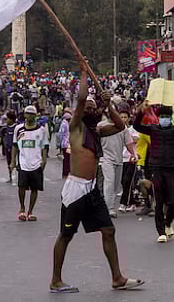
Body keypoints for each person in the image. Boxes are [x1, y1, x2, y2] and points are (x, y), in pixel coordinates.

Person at [50, 58, 142, 293]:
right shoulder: (76, 128)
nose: (90, 109)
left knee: (108, 230)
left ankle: (117, 278)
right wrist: (83, 72)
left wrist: (108, 104)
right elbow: (81, 99)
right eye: (87, 108)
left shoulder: (97, 130)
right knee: (66, 235)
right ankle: (55, 280)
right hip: (75, 190)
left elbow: (121, 126)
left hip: (91, 189)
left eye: (94, 108)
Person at [133, 101, 174, 243]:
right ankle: (161, 232)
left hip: (172, 169)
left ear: (170, 118)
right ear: (159, 118)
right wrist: (142, 111)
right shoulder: (152, 129)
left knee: (172, 202)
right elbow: (137, 126)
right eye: (162, 116)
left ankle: (167, 223)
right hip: (157, 168)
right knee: (158, 201)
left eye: (167, 116)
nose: (165, 118)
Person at [10, 105, 47, 220]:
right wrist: (13, 161)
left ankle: (30, 211)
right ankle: (22, 208)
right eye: (28, 113)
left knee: (34, 189)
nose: (29, 116)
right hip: (23, 162)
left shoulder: (41, 130)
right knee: (21, 187)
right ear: (24, 114)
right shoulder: (18, 129)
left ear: (35, 116)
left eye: (32, 114)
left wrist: (44, 160)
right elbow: (15, 146)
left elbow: (44, 147)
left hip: (36, 163)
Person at [99, 107, 136, 218]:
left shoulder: (122, 128)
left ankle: (110, 206)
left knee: (116, 186)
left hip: (119, 160)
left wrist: (133, 154)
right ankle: (108, 208)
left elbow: (128, 142)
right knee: (109, 183)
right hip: (106, 159)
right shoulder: (101, 126)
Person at [118, 109, 139, 212]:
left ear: (129, 118)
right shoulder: (117, 130)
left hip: (131, 159)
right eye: (121, 117)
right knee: (123, 182)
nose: (123, 119)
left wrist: (126, 134)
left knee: (128, 181)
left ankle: (123, 203)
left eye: (125, 117)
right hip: (121, 159)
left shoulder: (132, 129)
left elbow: (136, 139)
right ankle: (132, 202)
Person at [2, 112, 17, 184]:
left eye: (7, 119)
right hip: (7, 149)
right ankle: (10, 176)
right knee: (9, 163)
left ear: (11, 119)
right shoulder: (6, 128)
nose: (6, 120)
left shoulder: (16, 128)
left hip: (14, 149)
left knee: (15, 162)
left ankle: (16, 177)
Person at [58, 112, 71, 179]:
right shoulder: (64, 124)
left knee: (68, 159)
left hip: (68, 144)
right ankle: (65, 173)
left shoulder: (67, 124)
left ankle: (67, 172)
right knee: (66, 159)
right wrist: (60, 143)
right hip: (65, 144)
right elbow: (60, 134)